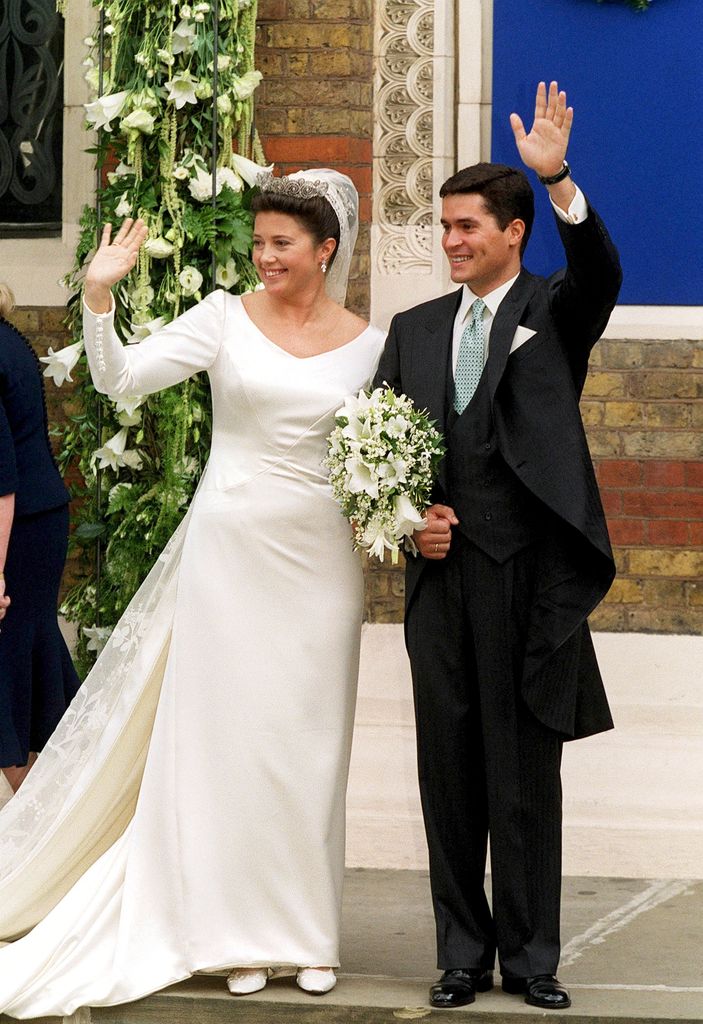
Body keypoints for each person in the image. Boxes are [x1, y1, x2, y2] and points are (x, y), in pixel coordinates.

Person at [0, 169, 385, 1016]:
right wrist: (99, 301)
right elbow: (120, 380)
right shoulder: (223, 318)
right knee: (231, 744)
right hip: (228, 552)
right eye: (259, 245)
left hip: (320, 564)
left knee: (307, 748)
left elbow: (384, 454)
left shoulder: (370, 343)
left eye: (282, 245)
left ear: (326, 250)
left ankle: (306, 933)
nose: (265, 258)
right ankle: (232, 931)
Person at [374, 82, 622, 1010]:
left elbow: (599, 273)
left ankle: (531, 961)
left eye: (466, 226)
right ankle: (457, 954)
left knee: (523, 778)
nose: (450, 241)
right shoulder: (412, 330)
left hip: (528, 582)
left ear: (512, 232)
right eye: (443, 227)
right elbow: (379, 454)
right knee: (448, 771)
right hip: (440, 586)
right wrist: (411, 520)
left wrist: (557, 179)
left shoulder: (555, 311)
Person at [0, 284, 80, 796]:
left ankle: (44, 814)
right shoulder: (7, 338)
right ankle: (49, 806)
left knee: (10, 662)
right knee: (22, 659)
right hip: (35, 518)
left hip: (18, 527)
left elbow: (1, 479)